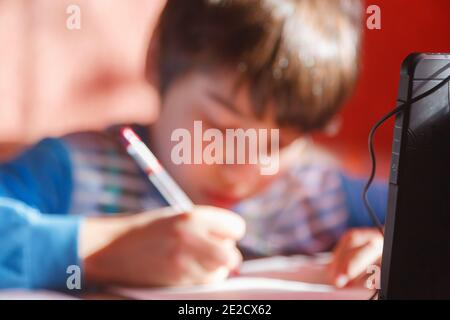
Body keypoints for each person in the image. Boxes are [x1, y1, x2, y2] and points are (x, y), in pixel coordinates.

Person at [0, 0, 385, 290]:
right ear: (155, 61)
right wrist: (102, 252)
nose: (242, 167)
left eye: (279, 144)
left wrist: (393, 244)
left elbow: (430, 215)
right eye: (220, 128)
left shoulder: (315, 196)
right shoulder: (74, 169)